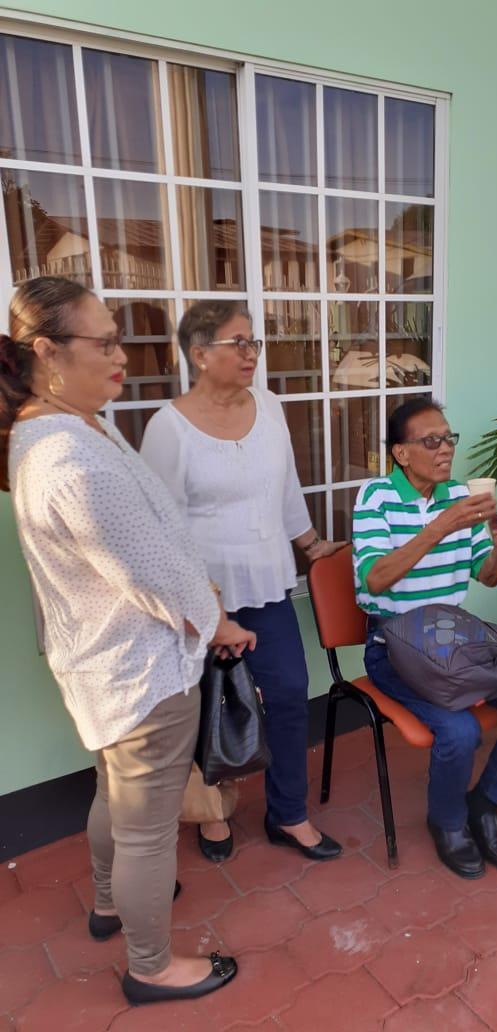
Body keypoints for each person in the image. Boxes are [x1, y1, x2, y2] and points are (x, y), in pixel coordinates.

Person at [1, 277, 255, 1005]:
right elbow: (151, 576)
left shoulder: (68, 426)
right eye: (105, 342)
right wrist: (218, 621)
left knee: (115, 793)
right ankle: (152, 967)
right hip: (140, 672)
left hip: (105, 664)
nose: (122, 356)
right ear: (47, 351)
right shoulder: (69, 457)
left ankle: (110, 903)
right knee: (147, 828)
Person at [141, 300, 344, 864]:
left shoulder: (269, 405)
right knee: (206, 708)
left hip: (267, 583)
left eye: (254, 341)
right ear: (200, 354)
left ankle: (289, 814)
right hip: (201, 595)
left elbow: (287, 488)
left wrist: (310, 545)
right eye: (239, 342)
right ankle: (212, 813)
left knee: (288, 695)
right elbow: (161, 528)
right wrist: (197, 605)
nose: (252, 352)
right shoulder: (168, 428)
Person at [352, 398, 497, 879]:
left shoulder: (460, 496)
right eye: (431, 441)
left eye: (448, 438)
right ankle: (447, 821)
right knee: (460, 731)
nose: (445, 449)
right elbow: (375, 580)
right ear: (401, 453)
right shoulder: (376, 497)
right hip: (394, 647)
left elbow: (488, 577)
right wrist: (442, 526)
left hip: (453, 641)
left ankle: (486, 804)